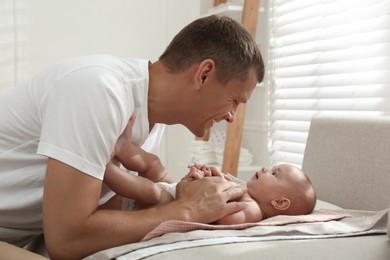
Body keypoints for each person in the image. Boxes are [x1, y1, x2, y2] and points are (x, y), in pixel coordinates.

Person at [0, 14, 264, 259]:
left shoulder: (150, 121)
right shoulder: (98, 89)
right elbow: (66, 240)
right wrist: (188, 210)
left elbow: (104, 221)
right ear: (204, 74)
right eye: (234, 101)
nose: (232, 117)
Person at [104, 163, 317, 224]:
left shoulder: (252, 209)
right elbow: (210, 192)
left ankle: (104, 168)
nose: (264, 169)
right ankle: (123, 147)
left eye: (274, 173)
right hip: (175, 193)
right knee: (155, 167)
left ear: (279, 202)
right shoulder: (246, 191)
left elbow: (225, 217)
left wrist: (227, 187)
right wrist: (207, 176)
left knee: (150, 190)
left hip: (162, 203)